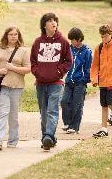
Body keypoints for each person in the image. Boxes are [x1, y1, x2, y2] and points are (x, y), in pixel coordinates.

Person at [31, 12, 72, 150]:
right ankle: (48, 139)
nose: (53, 22)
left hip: (56, 83)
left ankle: (48, 135)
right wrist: (38, 72)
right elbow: (33, 61)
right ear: (44, 25)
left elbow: (68, 61)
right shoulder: (38, 42)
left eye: (55, 20)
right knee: (43, 112)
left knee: (52, 111)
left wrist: (59, 71)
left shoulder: (63, 41)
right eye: (50, 21)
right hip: (41, 83)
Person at [0, 27, 31, 150]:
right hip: (2, 85)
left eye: (15, 34)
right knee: (3, 112)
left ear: (18, 36)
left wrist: (13, 68)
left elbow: (28, 69)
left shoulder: (23, 51)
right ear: (6, 35)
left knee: (13, 115)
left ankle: (12, 140)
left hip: (17, 86)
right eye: (11, 34)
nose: (13, 36)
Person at [90, 24, 112, 138]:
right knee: (104, 105)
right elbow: (94, 65)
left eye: (105, 36)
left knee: (110, 102)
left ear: (111, 35)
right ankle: (104, 129)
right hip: (103, 81)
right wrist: (94, 79)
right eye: (102, 37)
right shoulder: (98, 47)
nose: (103, 39)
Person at [60, 27, 92, 134]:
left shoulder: (87, 52)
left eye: (73, 40)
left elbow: (88, 69)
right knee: (64, 101)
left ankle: (74, 127)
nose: (71, 42)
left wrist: (84, 79)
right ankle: (68, 123)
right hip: (69, 81)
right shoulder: (69, 49)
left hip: (80, 83)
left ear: (79, 39)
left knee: (77, 105)